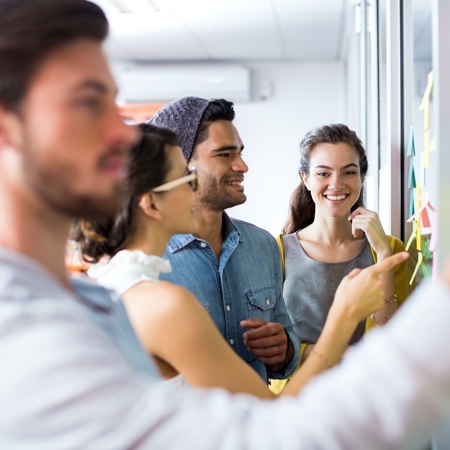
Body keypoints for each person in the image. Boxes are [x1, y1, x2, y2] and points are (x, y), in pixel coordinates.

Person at [3, 1, 450, 449]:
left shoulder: (88, 300)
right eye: (87, 101)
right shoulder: (44, 326)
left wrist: (287, 349)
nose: (122, 134)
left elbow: (280, 365)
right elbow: (273, 435)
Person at [73, 123, 391, 397]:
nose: (195, 190)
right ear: (152, 204)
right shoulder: (160, 302)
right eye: (187, 180)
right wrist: (344, 316)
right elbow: (269, 417)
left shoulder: (117, 283)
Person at [150, 96, 300, 382]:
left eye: (240, 153)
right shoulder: (147, 259)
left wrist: (285, 350)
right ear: (179, 165)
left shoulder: (263, 245)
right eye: (224, 154)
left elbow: (286, 339)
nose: (242, 166)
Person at [280, 123, 411, 364]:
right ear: (306, 178)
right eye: (323, 173)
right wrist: (339, 354)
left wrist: (382, 253)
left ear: (362, 177)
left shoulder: (390, 250)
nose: (336, 184)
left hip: (366, 393)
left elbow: (392, 330)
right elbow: (272, 345)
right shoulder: (277, 251)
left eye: (349, 172)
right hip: (298, 393)